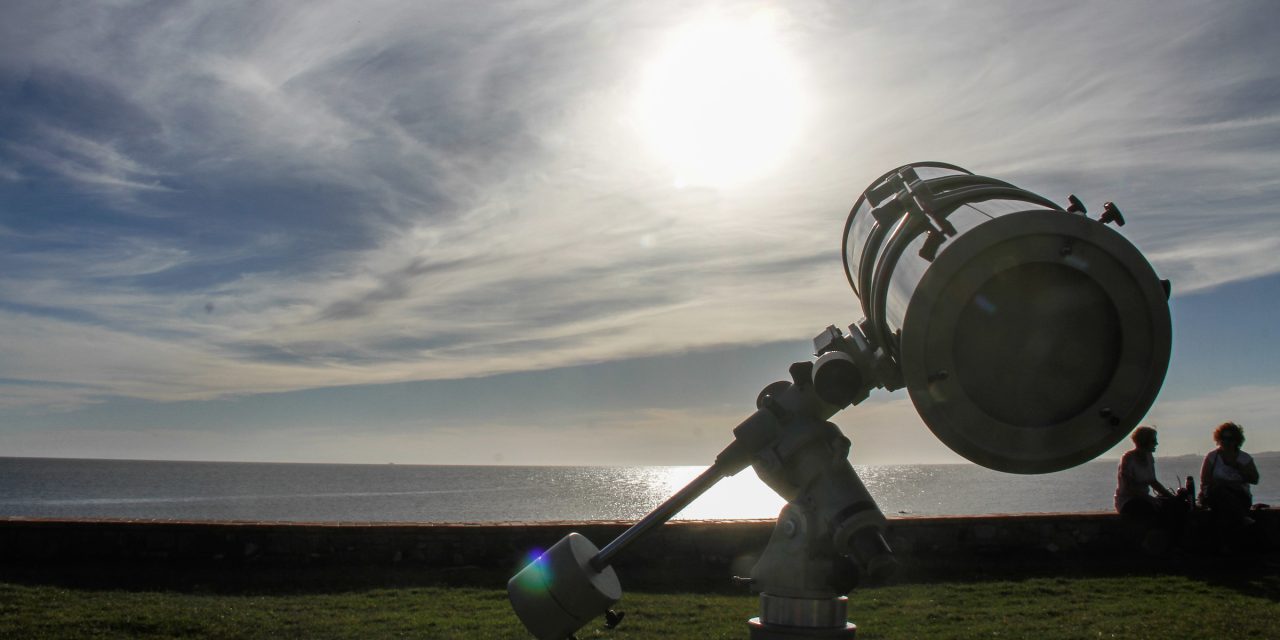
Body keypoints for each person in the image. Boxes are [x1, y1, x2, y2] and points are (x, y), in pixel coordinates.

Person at [1199, 421, 1260, 526]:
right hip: (1216, 495)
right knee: (1221, 492)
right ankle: (1243, 517)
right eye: (1223, 438)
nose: (1226, 442)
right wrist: (1225, 483)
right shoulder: (1212, 457)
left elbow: (1255, 479)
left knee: (1224, 512)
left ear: (1236, 440)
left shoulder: (1244, 458)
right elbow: (1205, 480)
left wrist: (1238, 467)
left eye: (1230, 439)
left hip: (1239, 496)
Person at [1115, 425, 1174, 518]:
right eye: (1153, 441)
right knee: (1152, 510)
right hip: (1127, 501)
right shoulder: (1128, 458)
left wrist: (1172, 498)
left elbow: (1153, 481)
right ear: (1144, 442)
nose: (1156, 443)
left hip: (1144, 499)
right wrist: (1150, 499)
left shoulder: (1149, 457)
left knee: (1173, 506)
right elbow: (1129, 487)